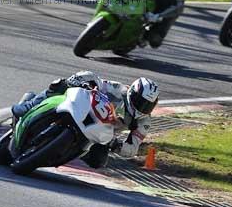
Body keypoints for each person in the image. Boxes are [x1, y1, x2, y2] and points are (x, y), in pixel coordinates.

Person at [11, 72, 159, 168]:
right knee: (59, 84)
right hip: (85, 112)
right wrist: (80, 80)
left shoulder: (143, 122)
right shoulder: (118, 89)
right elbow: (97, 81)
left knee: (98, 161)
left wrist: (116, 145)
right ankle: (29, 105)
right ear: (132, 93)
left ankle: (67, 152)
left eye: (148, 105)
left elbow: (133, 148)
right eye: (141, 102)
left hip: (100, 135)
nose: (143, 108)